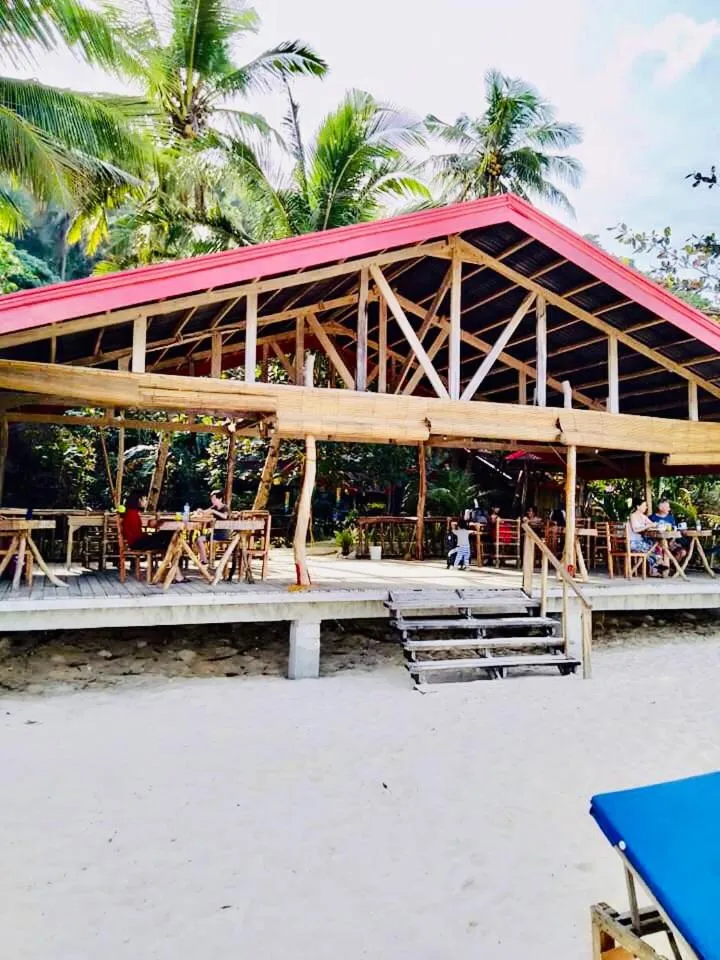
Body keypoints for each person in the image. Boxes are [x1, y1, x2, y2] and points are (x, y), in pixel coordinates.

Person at [120, 491, 188, 582]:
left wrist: (156, 525)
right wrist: (156, 525)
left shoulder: (131, 512)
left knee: (168, 540)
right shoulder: (132, 514)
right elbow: (137, 534)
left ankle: (176, 574)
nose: (146, 501)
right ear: (139, 500)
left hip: (138, 541)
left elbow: (138, 532)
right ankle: (175, 574)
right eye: (144, 499)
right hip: (137, 543)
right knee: (169, 537)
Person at [628, 497, 664, 577]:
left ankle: (655, 568)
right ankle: (657, 566)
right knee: (653, 548)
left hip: (641, 541)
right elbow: (635, 529)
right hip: (633, 543)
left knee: (657, 546)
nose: (646, 507)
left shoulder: (643, 516)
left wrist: (655, 525)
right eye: (644, 505)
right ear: (638, 506)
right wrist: (648, 526)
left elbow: (651, 524)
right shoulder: (632, 516)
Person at [195, 490, 230, 566]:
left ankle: (204, 560)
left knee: (199, 539)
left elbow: (225, 516)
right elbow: (206, 512)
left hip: (223, 534)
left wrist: (214, 512)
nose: (212, 501)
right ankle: (203, 559)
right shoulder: (214, 507)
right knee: (197, 539)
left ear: (220, 499)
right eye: (212, 499)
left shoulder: (224, 507)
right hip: (215, 533)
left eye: (214, 499)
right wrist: (200, 511)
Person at [650, 496, 688, 563]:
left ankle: (672, 565)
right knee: (664, 546)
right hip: (657, 543)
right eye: (667, 507)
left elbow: (675, 530)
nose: (669, 509)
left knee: (683, 552)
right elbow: (649, 532)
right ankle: (667, 565)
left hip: (671, 542)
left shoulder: (671, 518)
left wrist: (673, 540)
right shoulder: (652, 518)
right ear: (660, 508)